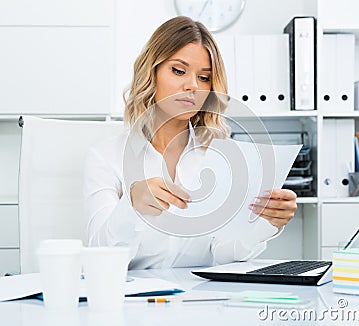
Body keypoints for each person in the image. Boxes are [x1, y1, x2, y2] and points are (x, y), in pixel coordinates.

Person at [83, 16, 297, 269]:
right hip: (133, 301)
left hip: (203, 300)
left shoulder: (221, 155)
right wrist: (131, 205)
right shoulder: (106, 157)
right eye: (178, 70)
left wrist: (266, 224)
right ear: (151, 72)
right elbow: (99, 258)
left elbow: (223, 253)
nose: (192, 85)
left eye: (204, 78)